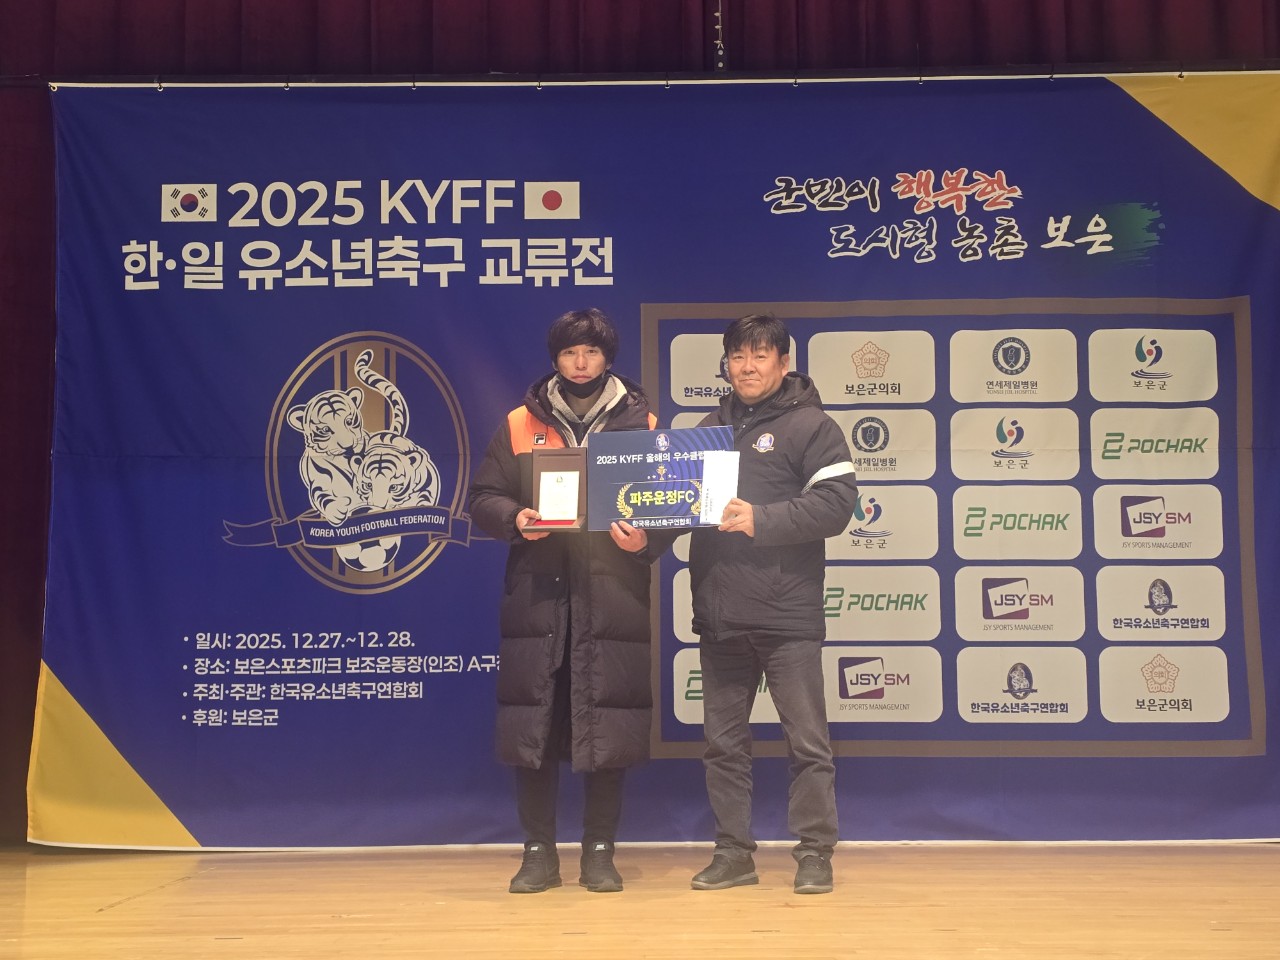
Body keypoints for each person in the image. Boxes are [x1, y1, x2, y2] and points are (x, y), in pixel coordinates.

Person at [468, 307, 659, 894]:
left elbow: (668, 507)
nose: (581, 363)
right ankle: (538, 854)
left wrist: (647, 539)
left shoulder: (643, 423)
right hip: (539, 597)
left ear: (608, 359)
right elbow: (483, 497)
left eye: (592, 352)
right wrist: (515, 518)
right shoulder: (520, 422)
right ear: (555, 358)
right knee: (535, 729)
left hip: (612, 596)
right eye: (571, 352)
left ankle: (599, 853)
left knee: (606, 727)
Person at [685, 313, 858, 895]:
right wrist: (641, 536)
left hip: (788, 615)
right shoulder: (707, 429)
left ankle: (815, 853)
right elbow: (678, 505)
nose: (748, 367)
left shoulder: (814, 426)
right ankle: (733, 853)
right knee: (723, 746)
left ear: (784, 363)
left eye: (760, 355)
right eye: (738, 356)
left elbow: (837, 505)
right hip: (720, 613)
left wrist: (761, 519)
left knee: (807, 744)